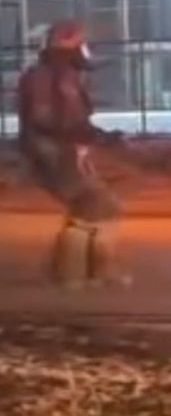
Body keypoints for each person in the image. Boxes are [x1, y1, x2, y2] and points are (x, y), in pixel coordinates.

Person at [17, 20, 127, 289]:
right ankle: (73, 271)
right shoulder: (44, 77)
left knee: (100, 205)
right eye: (81, 45)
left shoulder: (64, 77)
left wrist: (99, 136)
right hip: (51, 153)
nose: (84, 52)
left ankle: (86, 270)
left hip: (65, 151)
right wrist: (86, 135)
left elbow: (74, 121)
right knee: (93, 203)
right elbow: (45, 120)